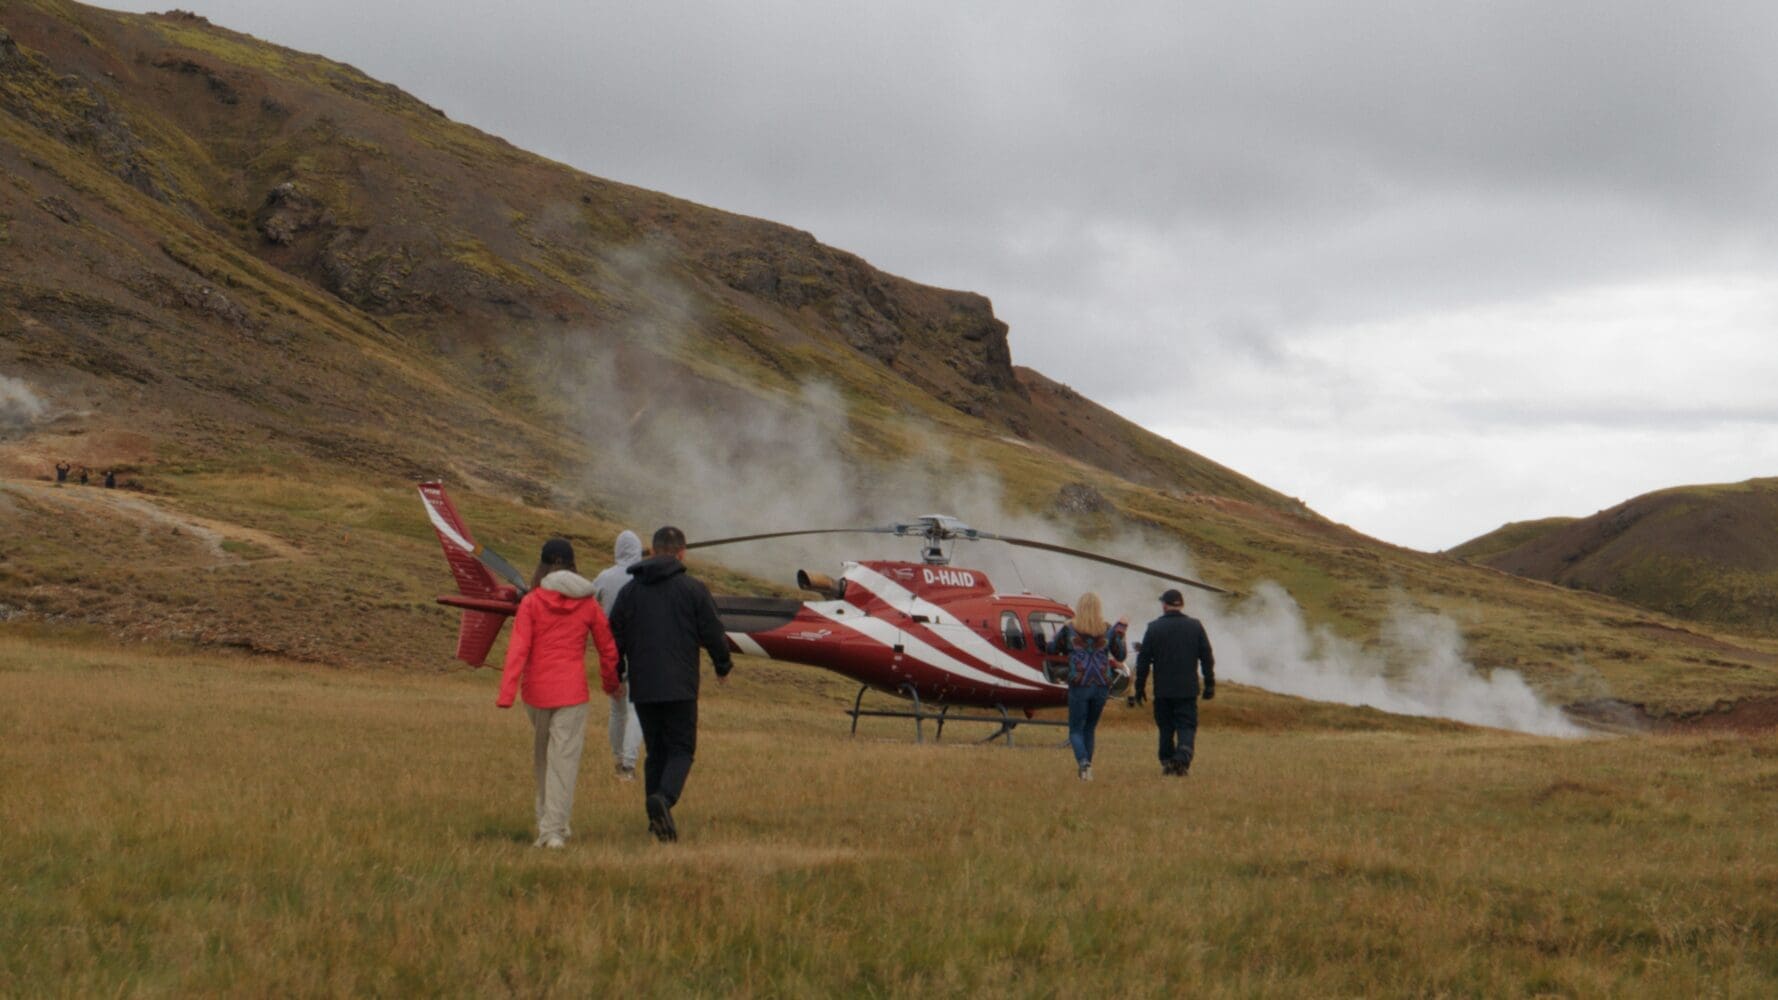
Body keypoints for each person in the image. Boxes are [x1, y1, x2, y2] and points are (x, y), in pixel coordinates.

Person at [608, 525, 733, 842]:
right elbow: (714, 632)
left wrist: (616, 673)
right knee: (681, 750)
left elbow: (614, 638)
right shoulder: (694, 590)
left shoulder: (630, 592)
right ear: (682, 553)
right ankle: (664, 799)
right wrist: (723, 665)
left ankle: (656, 823)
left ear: (652, 551)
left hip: (644, 686)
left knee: (656, 753)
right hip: (680, 686)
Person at [496, 538, 621, 849]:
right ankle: (554, 829)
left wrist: (507, 693)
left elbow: (518, 649)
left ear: (542, 566)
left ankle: (549, 823)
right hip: (572, 692)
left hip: (536, 693)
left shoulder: (532, 602)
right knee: (563, 760)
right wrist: (611, 684)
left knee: (543, 757)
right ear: (573, 564)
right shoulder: (588, 603)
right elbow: (608, 648)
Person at [1134, 588, 1216, 777]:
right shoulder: (1195, 626)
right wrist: (1209, 684)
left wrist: (1139, 687)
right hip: (1187, 690)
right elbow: (1207, 657)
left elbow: (1143, 661)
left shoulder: (1154, 628)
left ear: (1164, 605)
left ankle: (1168, 760)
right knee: (1186, 726)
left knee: (1165, 727)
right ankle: (1181, 758)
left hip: (1163, 690)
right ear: (1182, 605)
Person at [1046, 592, 1127, 781]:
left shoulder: (1069, 628)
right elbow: (1121, 655)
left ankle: (1083, 763)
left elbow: (1052, 648)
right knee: (1090, 728)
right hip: (1101, 684)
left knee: (1076, 729)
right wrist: (1121, 631)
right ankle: (1086, 770)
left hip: (1079, 682)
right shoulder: (1107, 629)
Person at [591, 529, 645, 782]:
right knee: (636, 709)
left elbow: (588, 599)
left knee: (617, 709)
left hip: (610, 648)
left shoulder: (605, 576)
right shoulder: (643, 576)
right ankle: (628, 764)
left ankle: (617, 759)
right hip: (640, 648)